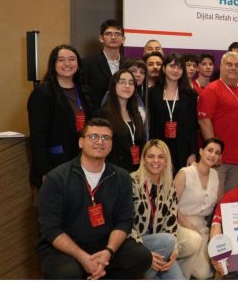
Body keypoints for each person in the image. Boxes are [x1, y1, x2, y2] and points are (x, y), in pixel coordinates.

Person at [35, 118, 152, 279]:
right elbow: (51, 229)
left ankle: (100, 271)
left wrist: (108, 252)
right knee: (68, 273)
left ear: (111, 145)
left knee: (141, 257)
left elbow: (124, 221)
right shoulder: (56, 178)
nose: (100, 142)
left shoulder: (122, 177)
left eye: (106, 138)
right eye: (93, 136)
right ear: (81, 142)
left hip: (104, 244)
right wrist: (83, 258)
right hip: (66, 248)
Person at [27, 44, 93, 188]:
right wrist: (45, 171)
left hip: (84, 162)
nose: (67, 63)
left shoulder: (84, 90)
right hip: (56, 164)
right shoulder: (43, 93)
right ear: (53, 64)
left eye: (72, 59)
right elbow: (38, 137)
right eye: (61, 60)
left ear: (78, 64)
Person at [198, 51, 238, 194]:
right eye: (229, 64)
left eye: (237, 65)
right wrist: (214, 152)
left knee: (232, 201)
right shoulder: (212, 89)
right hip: (219, 159)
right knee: (215, 200)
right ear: (221, 67)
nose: (233, 68)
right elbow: (204, 121)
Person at [128, 140, 187, 279]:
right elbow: (125, 224)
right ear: (143, 159)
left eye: (161, 157)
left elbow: (171, 225)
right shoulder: (131, 182)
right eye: (151, 156)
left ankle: (146, 274)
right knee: (167, 240)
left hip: (160, 247)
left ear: (166, 161)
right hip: (135, 243)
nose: (156, 161)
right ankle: (142, 276)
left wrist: (173, 251)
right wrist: (146, 256)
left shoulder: (169, 186)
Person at [174, 137, 222, 279]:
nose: (213, 155)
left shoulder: (215, 175)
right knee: (194, 240)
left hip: (201, 226)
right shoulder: (185, 173)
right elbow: (171, 206)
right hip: (179, 223)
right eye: (210, 150)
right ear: (201, 151)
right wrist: (189, 226)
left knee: (204, 274)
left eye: (217, 153)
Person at [147, 53, 198, 173]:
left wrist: (193, 153)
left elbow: (193, 126)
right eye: (172, 66)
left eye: (180, 67)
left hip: (183, 149)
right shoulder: (152, 93)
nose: (176, 70)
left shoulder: (190, 94)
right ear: (164, 68)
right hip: (158, 147)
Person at [93, 69, 147, 173]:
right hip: (113, 171)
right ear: (113, 86)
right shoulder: (102, 115)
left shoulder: (136, 114)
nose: (127, 86)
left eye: (131, 83)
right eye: (122, 82)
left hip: (136, 171)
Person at [82, 19, 125, 109]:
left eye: (117, 34)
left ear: (123, 39)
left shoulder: (128, 64)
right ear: (101, 38)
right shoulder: (87, 64)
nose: (113, 37)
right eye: (108, 34)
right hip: (97, 114)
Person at [119, 58, 148, 125]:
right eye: (133, 71)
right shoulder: (112, 94)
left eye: (142, 72)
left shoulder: (140, 95)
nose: (138, 74)